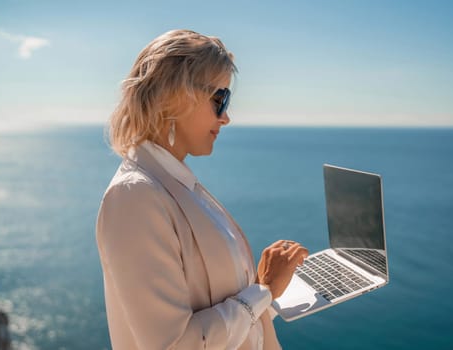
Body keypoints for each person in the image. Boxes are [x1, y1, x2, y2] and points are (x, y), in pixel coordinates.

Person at [96, 29, 308, 350]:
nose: (226, 117)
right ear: (175, 95)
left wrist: (268, 290)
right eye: (220, 98)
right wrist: (263, 290)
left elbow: (219, 309)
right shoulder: (134, 198)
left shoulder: (176, 183)